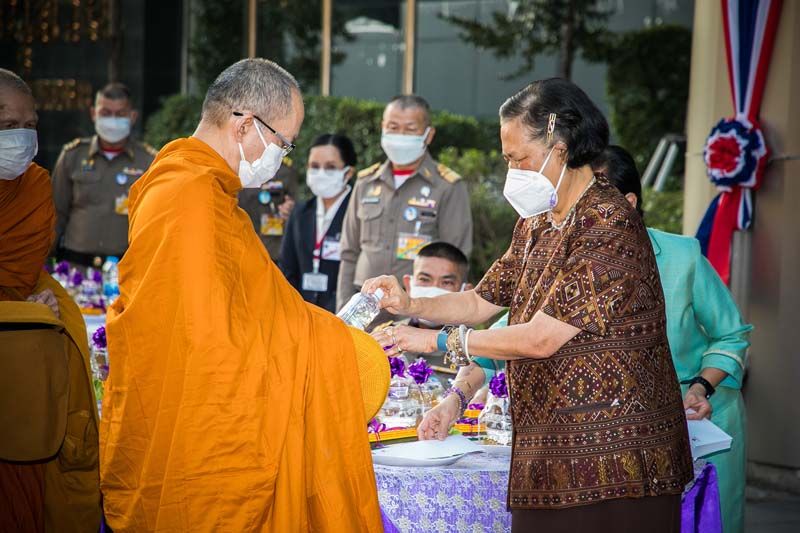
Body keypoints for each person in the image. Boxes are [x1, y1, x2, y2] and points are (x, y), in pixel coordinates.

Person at [365, 78, 692, 532]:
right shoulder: (538, 222)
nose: (513, 172)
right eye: (507, 160)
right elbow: (482, 300)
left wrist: (437, 341)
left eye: (520, 159)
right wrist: (409, 303)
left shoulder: (609, 223)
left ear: (561, 147)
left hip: (619, 460)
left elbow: (542, 337)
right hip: (549, 449)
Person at [99, 58, 387, 532]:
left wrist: (329, 333)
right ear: (246, 125)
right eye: (283, 143)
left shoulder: (204, 190)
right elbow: (210, 344)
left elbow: (252, 312)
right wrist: (336, 348)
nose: (282, 157)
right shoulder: (188, 195)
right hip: (196, 438)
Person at [598, 144, 752, 533]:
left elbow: (731, 334)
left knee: (708, 522)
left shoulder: (683, 257)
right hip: (624, 426)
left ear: (629, 202)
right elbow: (514, 329)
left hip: (700, 414)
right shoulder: (570, 262)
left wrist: (701, 387)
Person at [0, 68, 101, 532]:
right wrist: (28, 313)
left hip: (21, 368)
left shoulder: (36, 186)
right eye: (6, 127)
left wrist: (35, 314)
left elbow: (20, 274)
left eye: (29, 125)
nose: (20, 137)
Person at [336, 94, 473, 311]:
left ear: (428, 135)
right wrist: (344, 305)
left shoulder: (447, 186)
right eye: (393, 127)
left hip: (413, 308)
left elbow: (456, 259)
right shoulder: (366, 183)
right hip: (362, 303)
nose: (400, 135)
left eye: (410, 129)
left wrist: (437, 313)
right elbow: (349, 252)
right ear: (382, 128)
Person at [51, 82, 157, 266]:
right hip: (76, 270)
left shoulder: (149, 162)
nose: (113, 120)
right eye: (106, 113)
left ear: (132, 116)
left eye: (120, 114)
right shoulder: (72, 156)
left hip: (126, 273)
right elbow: (55, 215)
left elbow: (155, 223)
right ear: (93, 114)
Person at [279, 133, 357, 312]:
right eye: (314, 166)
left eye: (330, 167)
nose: (321, 173)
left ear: (348, 172)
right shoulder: (300, 213)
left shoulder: (360, 214)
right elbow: (287, 268)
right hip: (300, 312)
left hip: (341, 314)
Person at [372, 241, 472, 377]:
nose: (434, 290)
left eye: (447, 282)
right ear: (408, 285)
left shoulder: (473, 348)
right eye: (425, 279)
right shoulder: (385, 335)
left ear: (465, 291)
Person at [238, 162, 298, 259]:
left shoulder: (286, 170)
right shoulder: (239, 167)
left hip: (274, 247)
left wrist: (289, 208)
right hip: (244, 246)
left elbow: (294, 205)